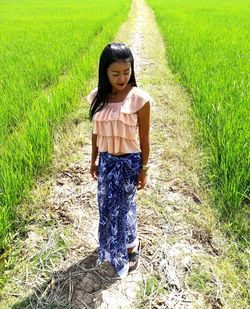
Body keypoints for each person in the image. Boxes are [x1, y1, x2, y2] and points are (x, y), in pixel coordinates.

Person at [87, 42, 152, 278]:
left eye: (126, 71)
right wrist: (93, 160)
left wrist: (144, 169)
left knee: (125, 208)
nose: (122, 77)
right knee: (105, 205)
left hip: (128, 162)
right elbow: (96, 132)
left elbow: (144, 138)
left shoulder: (139, 99)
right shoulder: (98, 97)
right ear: (105, 72)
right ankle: (109, 245)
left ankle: (131, 246)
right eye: (115, 73)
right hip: (106, 161)